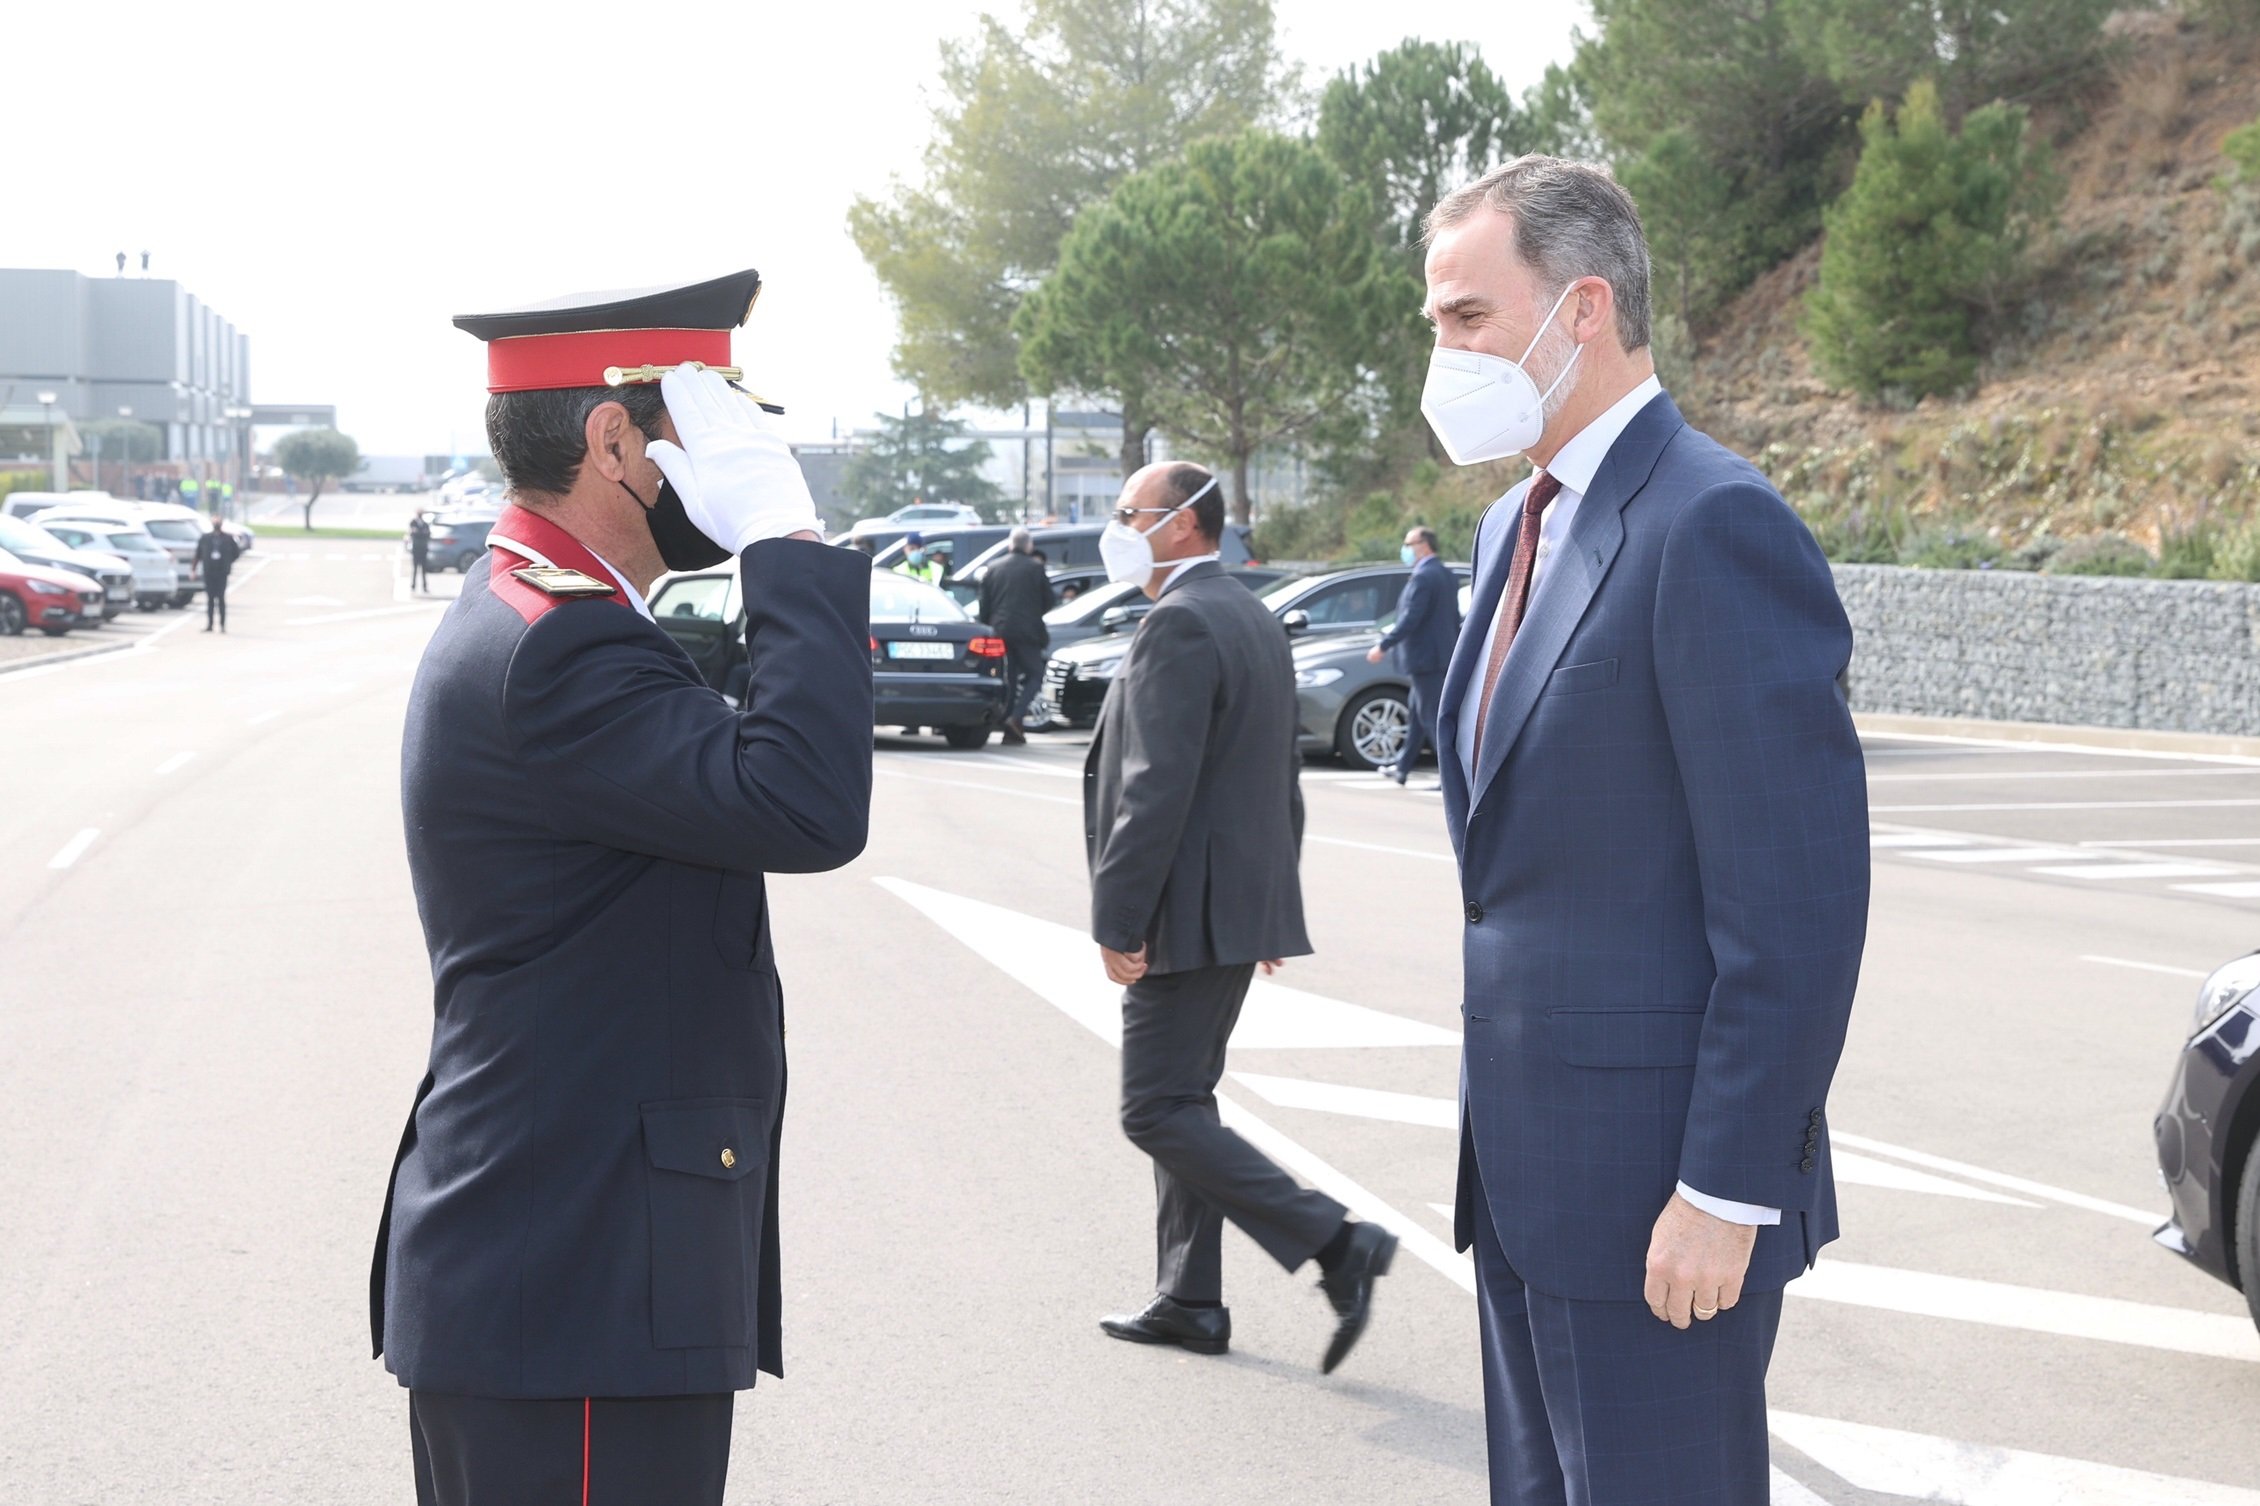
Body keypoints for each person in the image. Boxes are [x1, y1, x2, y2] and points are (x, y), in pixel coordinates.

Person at [370, 270, 873, 1506]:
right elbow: (805, 803)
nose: (733, 455)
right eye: (705, 425)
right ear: (612, 439)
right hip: (577, 1280)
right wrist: (781, 543)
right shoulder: (566, 648)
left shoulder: (544, 614)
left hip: (560, 1267)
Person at [1419, 158, 1868, 1504]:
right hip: (1522, 1178)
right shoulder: (1514, 524)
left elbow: (1790, 905)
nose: (1443, 355)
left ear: (1584, 309)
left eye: (1466, 317)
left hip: (1663, 1204)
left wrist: (1729, 1191)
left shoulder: (1713, 521)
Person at [1084, 460, 1397, 1374]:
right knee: (1185, 1098)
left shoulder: (1182, 619)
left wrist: (1118, 919)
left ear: (1182, 524)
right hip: (1228, 905)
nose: (1118, 526)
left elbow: (1154, 788)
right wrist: (1264, 905)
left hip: (1181, 911)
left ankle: (1337, 1242)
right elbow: (1277, 776)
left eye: (1128, 512)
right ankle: (1189, 1298)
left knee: (1155, 1109)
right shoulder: (1249, 612)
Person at [1366, 525, 1458, 787]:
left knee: (1430, 717)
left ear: (1424, 545)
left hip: (1424, 658)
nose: (1405, 549)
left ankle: (1450, 778)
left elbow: (1410, 619)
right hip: (1438, 656)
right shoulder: (1445, 575)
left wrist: (1384, 645)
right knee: (1418, 715)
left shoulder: (1423, 577)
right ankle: (1403, 768)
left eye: (1409, 544)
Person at [975, 526, 1051, 744]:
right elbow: (1049, 600)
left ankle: (1010, 727)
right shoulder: (1035, 568)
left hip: (999, 631)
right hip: (1028, 633)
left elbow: (984, 605)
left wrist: (990, 626)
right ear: (1029, 546)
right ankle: (1015, 717)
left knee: (1008, 679)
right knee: (1036, 675)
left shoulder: (994, 568)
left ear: (1010, 545)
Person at [195, 514, 241, 632]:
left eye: (218, 521)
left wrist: (227, 562)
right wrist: (193, 569)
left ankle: (222, 625)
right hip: (209, 572)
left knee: (221, 598)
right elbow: (198, 554)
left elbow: (236, 553)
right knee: (210, 599)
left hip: (221, 572)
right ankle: (210, 624)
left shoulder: (228, 538)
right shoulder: (205, 538)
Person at [408, 509, 432, 592]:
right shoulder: (413, 522)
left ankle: (424, 586)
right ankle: (413, 585)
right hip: (416, 549)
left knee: (423, 569)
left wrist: (419, 533)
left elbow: (428, 534)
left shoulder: (425, 524)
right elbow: (413, 533)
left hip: (423, 549)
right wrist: (421, 533)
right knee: (415, 568)